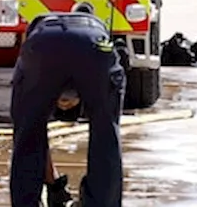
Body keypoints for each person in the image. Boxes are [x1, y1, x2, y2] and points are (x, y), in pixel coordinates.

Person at [9, 12, 126, 207]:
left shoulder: (36, 42)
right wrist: (54, 184)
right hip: (96, 46)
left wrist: (54, 186)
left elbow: (34, 139)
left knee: (28, 133)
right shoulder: (96, 36)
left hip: (43, 45)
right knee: (106, 135)